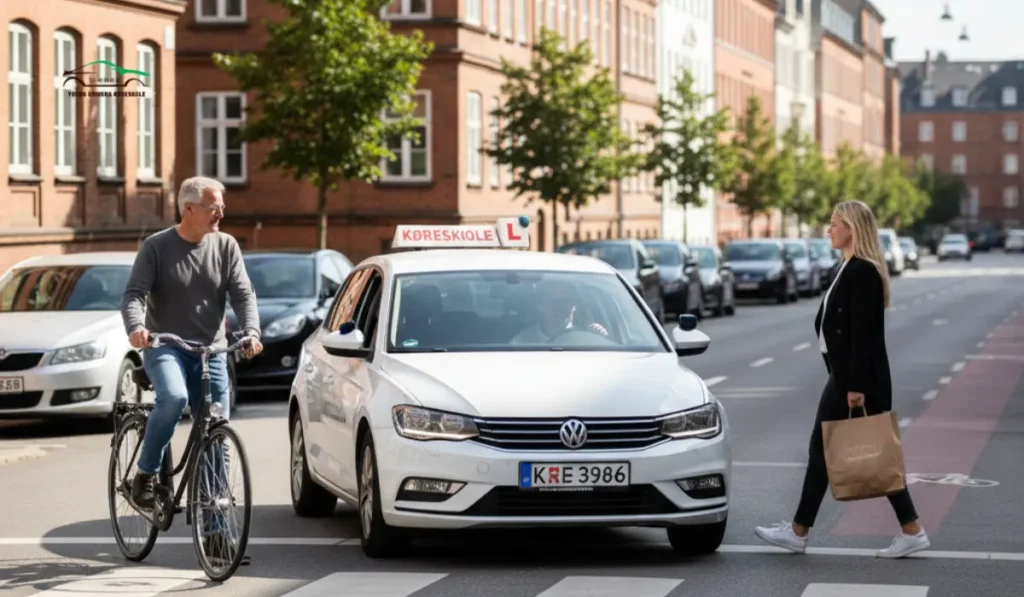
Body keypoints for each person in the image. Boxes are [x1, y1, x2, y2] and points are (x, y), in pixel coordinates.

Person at [753, 200, 930, 559]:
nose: (828, 229)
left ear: (851, 228)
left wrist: (854, 387)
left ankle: (802, 532)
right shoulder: (848, 267)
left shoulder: (862, 271)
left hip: (855, 379)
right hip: (846, 375)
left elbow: (863, 334)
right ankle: (906, 529)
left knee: (852, 450)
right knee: (841, 450)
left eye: (834, 224)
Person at [120, 176, 263, 557]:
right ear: (189, 209)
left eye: (221, 205)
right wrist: (137, 329)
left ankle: (215, 534)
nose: (221, 212)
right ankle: (145, 477)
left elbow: (243, 293)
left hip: (211, 351)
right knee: (174, 397)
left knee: (217, 433)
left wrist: (251, 331)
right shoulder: (157, 247)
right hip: (165, 346)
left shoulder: (226, 245)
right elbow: (134, 294)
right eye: (214, 206)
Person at [510, 279, 607, 344]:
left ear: (574, 306)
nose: (560, 306)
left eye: (566, 300)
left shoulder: (588, 337)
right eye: (553, 301)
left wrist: (599, 339)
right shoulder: (523, 341)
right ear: (540, 305)